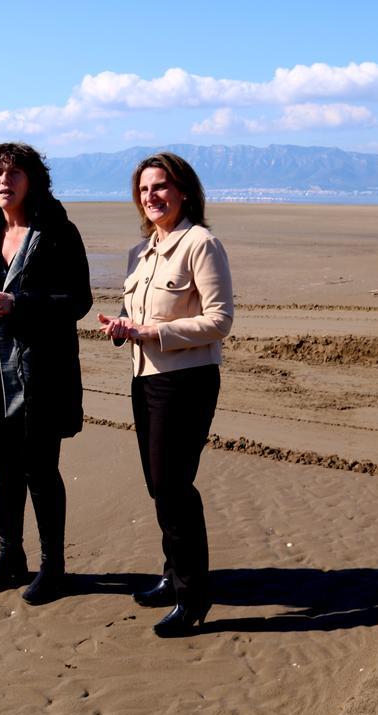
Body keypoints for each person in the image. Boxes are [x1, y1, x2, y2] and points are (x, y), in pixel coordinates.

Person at [98, 152, 233, 635]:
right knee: (159, 484)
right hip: (146, 378)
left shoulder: (201, 243)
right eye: (143, 190)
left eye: (160, 187)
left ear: (182, 191)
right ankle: (172, 575)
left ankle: (193, 597)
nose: (151, 197)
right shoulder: (142, 252)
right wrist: (122, 328)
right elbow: (135, 312)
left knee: (174, 486)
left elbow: (220, 320)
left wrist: (152, 332)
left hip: (187, 380)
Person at [0, 142, 92, 605]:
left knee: (40, 471)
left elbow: (77, 301)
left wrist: (18, 303)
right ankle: (11, 558)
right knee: (2, 471)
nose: (3, 181)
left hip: (39, 376)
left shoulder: (57, 231)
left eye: (14, 173)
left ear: (32, 179)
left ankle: (54, 567)